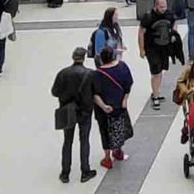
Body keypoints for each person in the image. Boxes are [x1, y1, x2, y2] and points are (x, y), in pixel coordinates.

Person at [52, 46, 101, 184]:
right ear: (84, 58)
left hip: (68, 111)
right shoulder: (90, 74)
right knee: (84, 140)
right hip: (85, 112)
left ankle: (65, 173)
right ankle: (85, 171)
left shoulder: (63, 73)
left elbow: (55, 92)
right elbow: (96, 92)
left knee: (67, 141)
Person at [92, 45, 136, 169]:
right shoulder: (122, 67)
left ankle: (107, 158)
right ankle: (118, 151)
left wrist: (103, 106)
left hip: (104, 110)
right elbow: (128, 85)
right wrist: (125, 100)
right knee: (119, 127)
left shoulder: (97, 74)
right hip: (119, 105)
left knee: (104, 130)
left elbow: (95, 94)